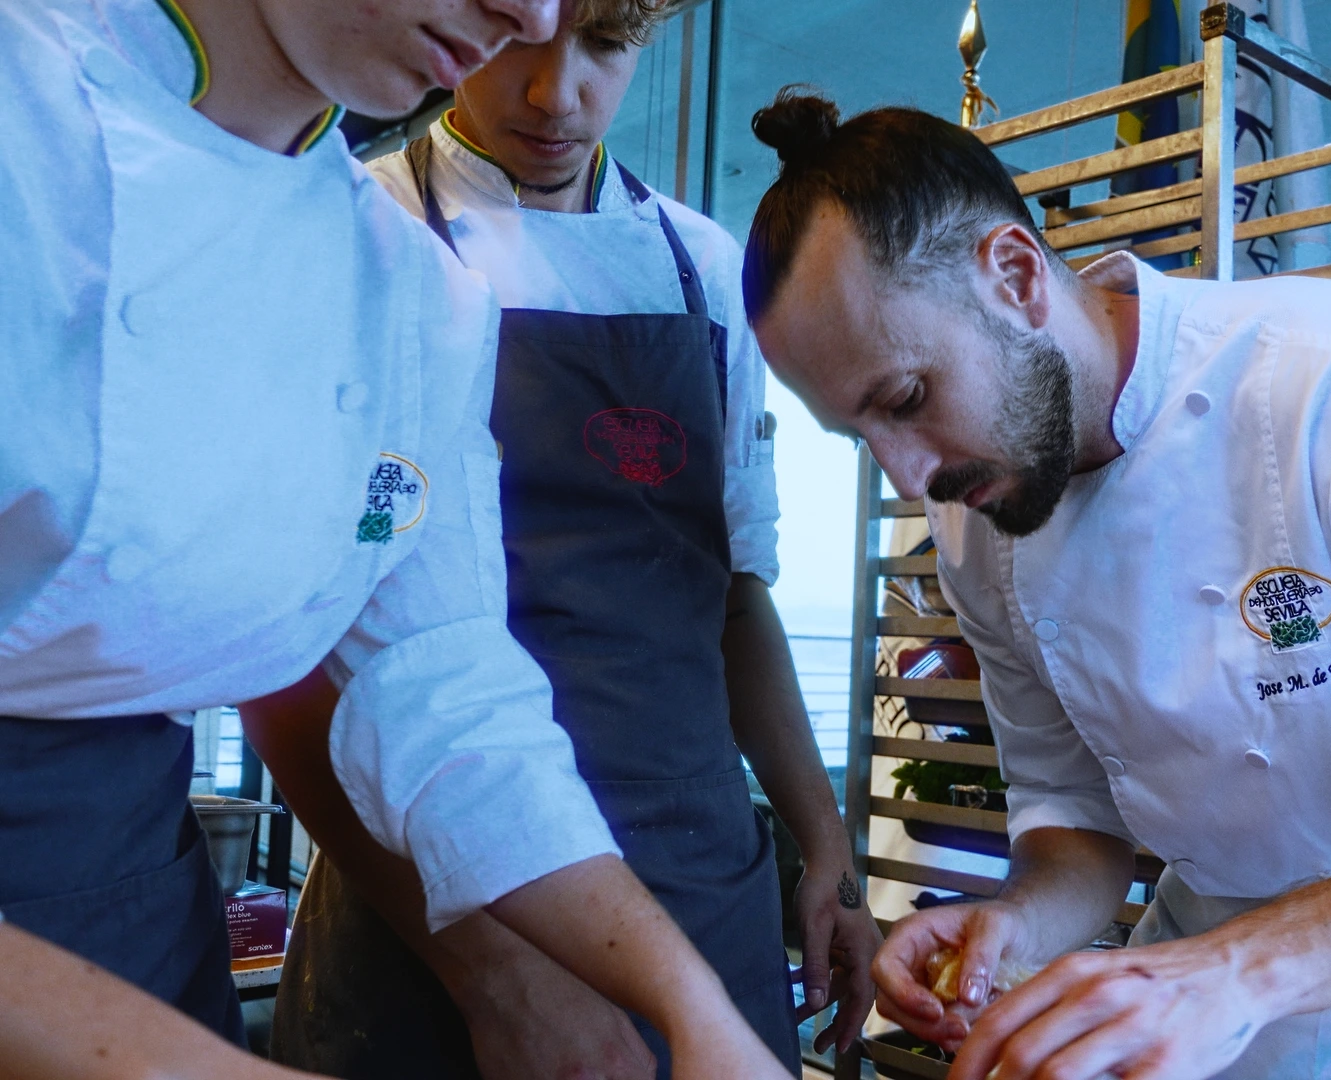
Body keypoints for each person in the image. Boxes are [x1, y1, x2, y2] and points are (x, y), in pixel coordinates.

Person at [740, 90, 1331, 1080]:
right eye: (863, 438)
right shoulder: (977, 519)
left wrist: (1236, 974)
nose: (911, 478)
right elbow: (1076, 818)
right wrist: (1013, 926)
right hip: (1196, 1000)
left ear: (1011, 275)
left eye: (909, 399)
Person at [0, 2, 790, 1078]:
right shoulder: (24, 110)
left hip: (134, 887)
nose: (534, 19)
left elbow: (441, 676)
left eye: (594, 25)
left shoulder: (406, 290)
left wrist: (692, 1009)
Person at [255, 4, 881, 1077]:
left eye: (606, 45)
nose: (556, 93)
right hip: (439, 897)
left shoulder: (701, 267)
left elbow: (734, 597)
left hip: (695, 867)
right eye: (516, 34)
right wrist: (495, 974)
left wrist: (824, 845)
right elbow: (284, 650)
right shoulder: (357, 230)